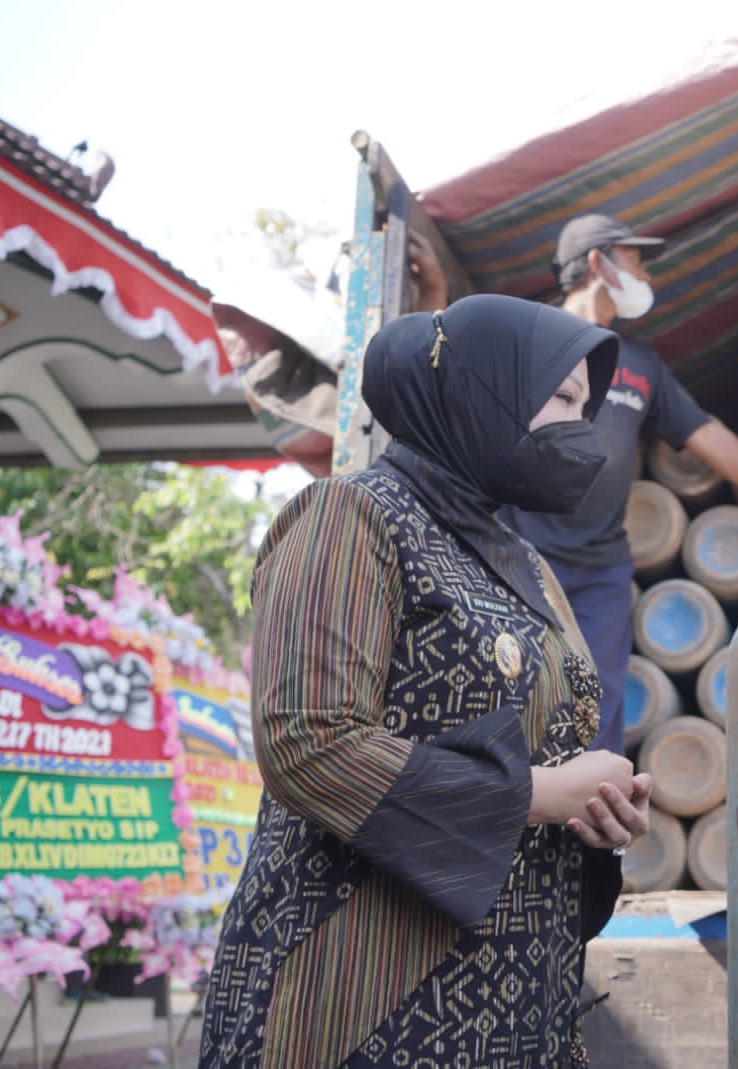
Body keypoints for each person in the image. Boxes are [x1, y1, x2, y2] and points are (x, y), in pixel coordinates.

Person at [199, 295, 653, 1068]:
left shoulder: (532, 569)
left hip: (511, 1008)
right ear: (486, 387)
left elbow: (550, 756)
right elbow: (308, 739)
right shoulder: (352, 516)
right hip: (362, 1000)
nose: (585, 427)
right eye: (564, 397)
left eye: (589, 406)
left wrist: (597, 810)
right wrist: (544, 793)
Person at [501, 213, 738, 756]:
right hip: (523, 556)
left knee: (598, 705)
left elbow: (705, 433)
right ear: (596, 263)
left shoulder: (638, 364)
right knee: (518, 695)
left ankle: (592, 812)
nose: (646, 276)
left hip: (600, 568)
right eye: (634, 261)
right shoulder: (526, 342)